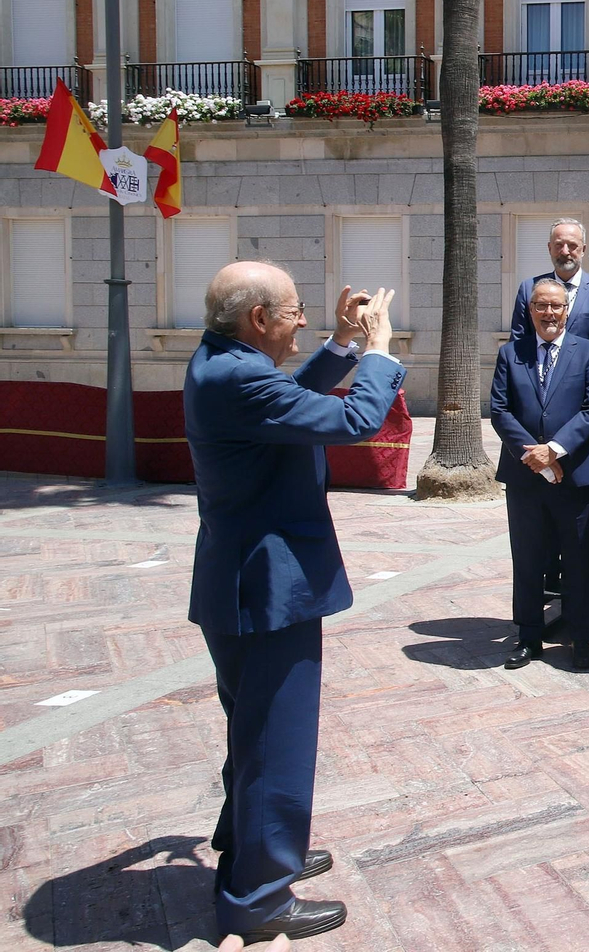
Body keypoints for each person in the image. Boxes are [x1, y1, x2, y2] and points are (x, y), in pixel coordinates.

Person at [185, 262, 404, 942]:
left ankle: (255, 845)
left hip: (239, 582)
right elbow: (356, 418)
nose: (302, 321)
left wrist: (340, 345)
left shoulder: (221, 362)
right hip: (268, 589)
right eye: (293, 312)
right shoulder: (240, 376)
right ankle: (259, 895)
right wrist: (379, 352)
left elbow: (281, 404)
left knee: (252, 732)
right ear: (257, 320)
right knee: (277, 740)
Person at [490, 279, 589, 672]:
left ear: (567, 310)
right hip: (525, 479)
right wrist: (536, 457)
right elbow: (500, 410)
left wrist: (554, 450)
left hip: (575, 477)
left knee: (579, 561)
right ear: (530, 311)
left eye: (556, 306)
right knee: (527, 559)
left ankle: (580, 638)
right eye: (541, 306)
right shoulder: (511, 354)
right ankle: (528, 637)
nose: (549, 313)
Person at [509, 218, 589, 360]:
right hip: (536, 378)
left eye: (572, 245)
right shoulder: (528, 288)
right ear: (549, 248)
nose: (565, 251)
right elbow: (518, 342)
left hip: (586, 380)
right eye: (558, 245)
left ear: (583, 249)